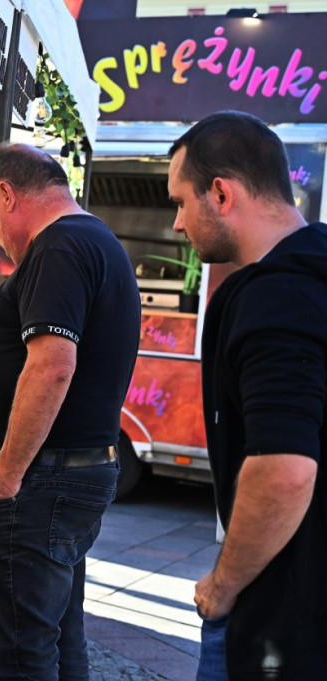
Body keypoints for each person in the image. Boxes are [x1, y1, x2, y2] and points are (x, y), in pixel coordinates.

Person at [0, 143, 140, 681]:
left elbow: (52, 366)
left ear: (7, 194)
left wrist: (6, 476)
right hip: (64, 473)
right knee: (58, 637)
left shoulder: (59, 246)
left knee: (22, 652)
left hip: (40, 480)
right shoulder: (92, 238)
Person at [169, 111, 325, 680]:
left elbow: (284, 469)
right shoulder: (313, 272)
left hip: (281, 627)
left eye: (181, 201)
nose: (179, 224)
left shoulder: (277, 298)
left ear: (221, 193)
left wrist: (222, 586)